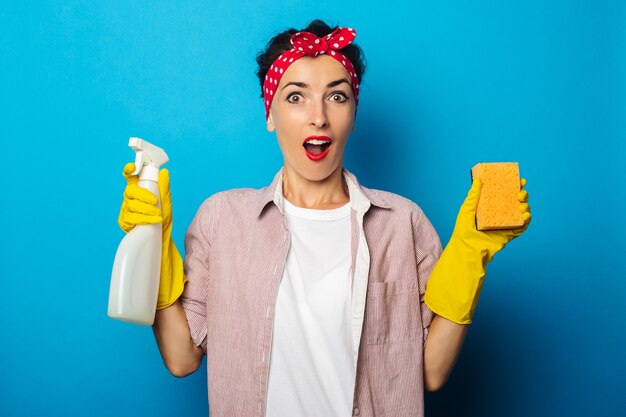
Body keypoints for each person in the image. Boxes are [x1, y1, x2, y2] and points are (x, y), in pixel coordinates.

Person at [117, 19, 531, 417]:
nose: (318, 116)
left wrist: (469, 251)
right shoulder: (222, 221)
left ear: (353, 114)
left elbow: (429, 373)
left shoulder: (402, 223)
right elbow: (180, 358)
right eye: (296, 96)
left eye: (337, 96)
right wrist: (154, 244)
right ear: (270, 114)